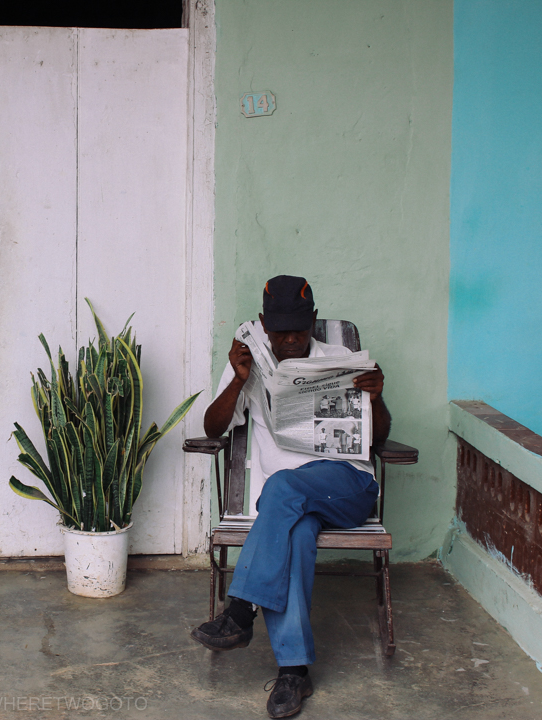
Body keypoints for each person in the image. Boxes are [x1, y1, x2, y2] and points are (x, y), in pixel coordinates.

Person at [191, 275, 391, 719]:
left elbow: (379, 437)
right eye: (279, 331)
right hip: (289, 511)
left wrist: (375, 399)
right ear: (263, 325)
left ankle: (241, 611)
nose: (290, 339)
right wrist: (238, 382)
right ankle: (293, 673)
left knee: (281, 485)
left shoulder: (341, 359)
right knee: (296, 532)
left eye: (299, 330)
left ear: (313, 321)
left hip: (347, 489)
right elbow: (211, 428)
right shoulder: (250, 361)